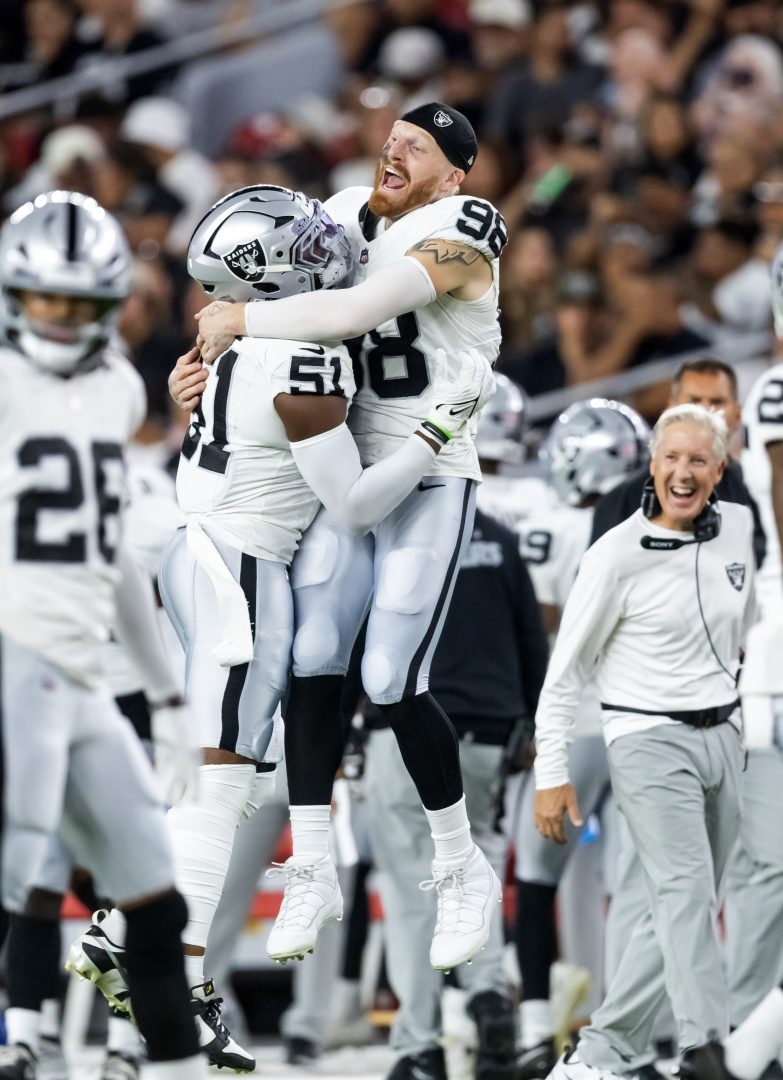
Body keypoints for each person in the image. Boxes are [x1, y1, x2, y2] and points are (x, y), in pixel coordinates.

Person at [77, 183, 492, 1072]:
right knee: (224, 783)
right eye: (295, 243)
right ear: (265, 274)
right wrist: (434, 434)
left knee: (225, 770)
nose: (317, 246)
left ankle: (123, 931)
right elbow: (353, 497)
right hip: (241, 563)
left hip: (204, 553)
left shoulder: (240, 342)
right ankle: (174, 978)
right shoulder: (299, 353)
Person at [169, 102, 509, 973]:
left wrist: (235, 324)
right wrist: (208, 382)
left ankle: (457, 865)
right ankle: (312, 860)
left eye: (418, 147)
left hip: (430, 468)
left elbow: (357, 310)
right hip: (345, 467)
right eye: (392, 139)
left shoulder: (466, 225)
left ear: (455, 173)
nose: (395, 153)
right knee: (315, 657)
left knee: (391, 673)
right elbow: (287, 309)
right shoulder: (348, 211)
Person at [0, 191, 204, 1080]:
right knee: (24, 890)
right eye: (49, 300)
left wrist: (163, 694)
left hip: (80, 673)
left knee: (154, 912)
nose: (66, 319)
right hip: (15, 657)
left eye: (85, 303)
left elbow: (113, 551)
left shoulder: (119, 384)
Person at [534, 404, 756, 1080]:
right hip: (644, 735)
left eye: (697, 461)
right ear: (651, 466)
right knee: (684, 892)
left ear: (718, 472)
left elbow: (747, 630)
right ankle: (703, 1048)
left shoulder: (741, 530)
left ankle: (601, 1051)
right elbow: (564, 671)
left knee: (680, 904)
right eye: (671, 459)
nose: (682, 472)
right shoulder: (613, 554)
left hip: (723, 735)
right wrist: (550, 772)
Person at [361, 381, 549, 1080]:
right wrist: (532, 727)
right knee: (475, 875)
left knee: (411, 889)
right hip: (488, 734)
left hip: (404, 733)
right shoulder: (499, 540)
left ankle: (418, 1044)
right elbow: (534, 648)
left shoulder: (392, 528)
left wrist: (352, 727)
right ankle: (488, 995)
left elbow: (363, 641)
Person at [510, 400, 649, 1077]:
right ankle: (633, 1031)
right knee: (630, 883)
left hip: (560, 721)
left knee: (536, 878)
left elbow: (530, 627)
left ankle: (536, 1023)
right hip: (624, 718)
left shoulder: (537, 523)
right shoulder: (637, 525)